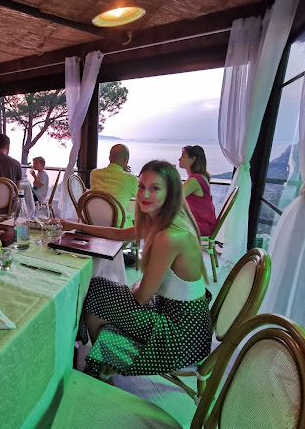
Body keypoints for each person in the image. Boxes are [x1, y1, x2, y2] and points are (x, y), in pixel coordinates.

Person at [62, 160, 211, 378]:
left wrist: (138, 285)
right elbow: (120, 234)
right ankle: (101, 363)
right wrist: (76, 226)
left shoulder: (169, 236)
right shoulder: (164, 220)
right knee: (96, 288)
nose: (144, 194)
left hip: (180, 335)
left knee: (94, 295)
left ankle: (99, 367)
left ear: (171, 193)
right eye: (141, 186)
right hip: (182, 318)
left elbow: (141, 297)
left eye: (155, 188)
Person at [90, 144, 138, 228]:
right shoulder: (130, 179)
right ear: (125, 161)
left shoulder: (94, 173)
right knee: (135, 219)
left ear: (109, 158)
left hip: (92, 221)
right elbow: (140, 196)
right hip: (116, 226)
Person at [178, 145, 217, 236]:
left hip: (201, 225)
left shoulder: (195, 179)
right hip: (204, 223)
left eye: (183, 156)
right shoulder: (200, 177)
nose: (179, 159)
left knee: (166, 224)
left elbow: (175, 198)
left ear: (193, 159)